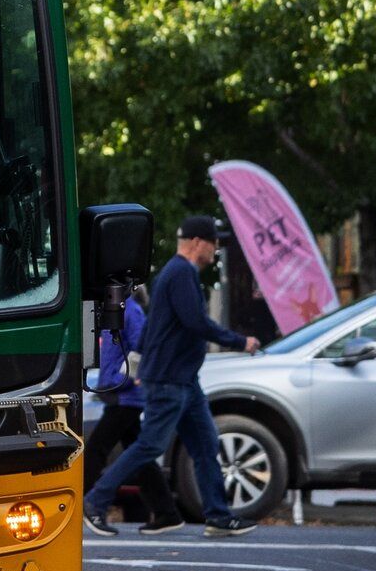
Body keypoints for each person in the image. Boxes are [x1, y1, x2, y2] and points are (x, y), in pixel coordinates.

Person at [83, 216, 263, 537]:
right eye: (214, 242)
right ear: (197, 242)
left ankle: (218, 516)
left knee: (206, 445)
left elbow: (154, 325)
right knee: (150, 445)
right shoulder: (181, 273)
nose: (216, 249)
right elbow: (196, 322)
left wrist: (142, 365)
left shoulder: (174, 273)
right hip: (169, 380)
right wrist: (240, 341)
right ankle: (95, 501)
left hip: (183, 380)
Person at [80, 288, 184, 536]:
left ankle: (85, 504)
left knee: (97, 449)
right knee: (140, 455)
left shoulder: (130, 310)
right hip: (122, 392)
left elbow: (142, 347)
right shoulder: (121, 308)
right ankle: (166, 512)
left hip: (125, 394)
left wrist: (127, 379)